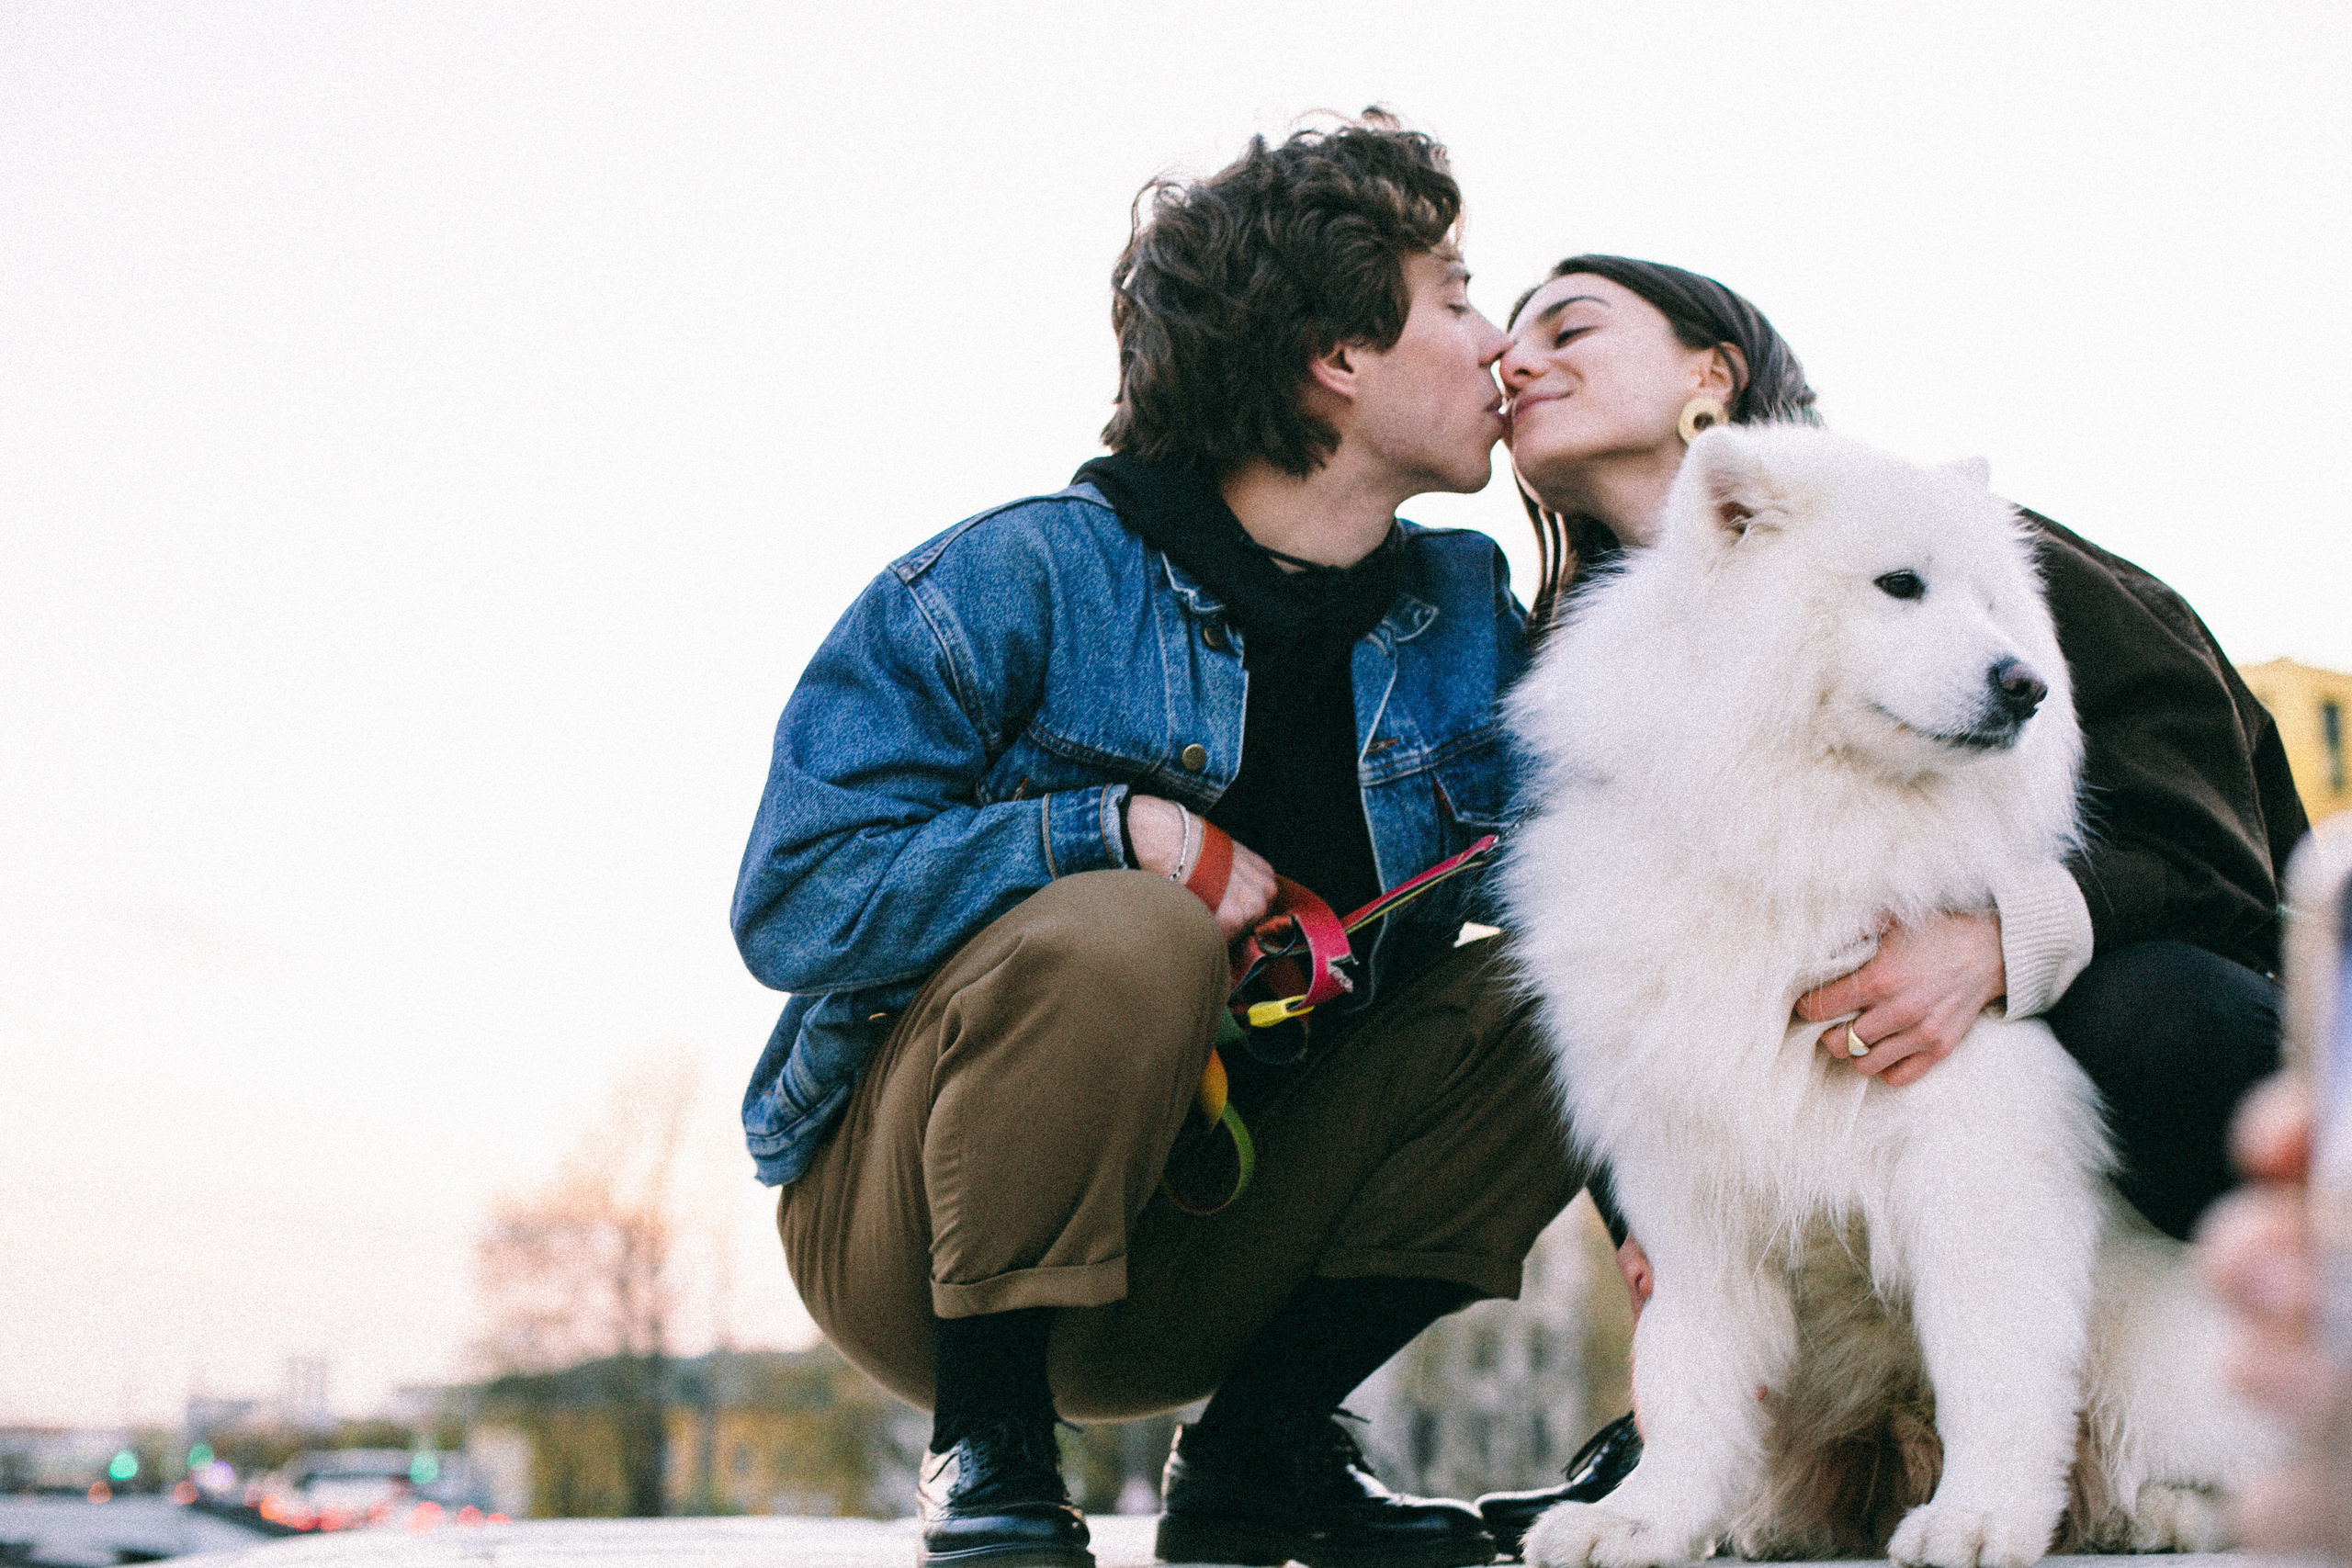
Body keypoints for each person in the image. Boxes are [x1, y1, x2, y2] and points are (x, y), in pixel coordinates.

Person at [731, 113, 1585, 1568]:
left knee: (1578, 986)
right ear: (1337, 353)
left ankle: (1261, 1456)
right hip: (915, 1255)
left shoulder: (1456, 623)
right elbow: (795, 902)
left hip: (1209, 1262)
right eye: (1455, 297)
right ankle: (990, 1452)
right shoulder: (1022, 579)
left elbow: (1626, 887)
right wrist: (1110, 831)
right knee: (1131, 921)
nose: (1498, 341)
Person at [1468, 254, 2311, 1554]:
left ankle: (2188, 1431)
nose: (1519, 357)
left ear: (1713, 374)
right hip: (1859, 1307)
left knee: (2131, 1025)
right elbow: (1662, 1105)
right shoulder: (1594, 659)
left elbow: (2220, 850)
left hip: (2200, 1058)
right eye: (1505, 340)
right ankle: (1699, 1470)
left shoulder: (1928, 526)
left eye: (1572, 326)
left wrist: (1999, 940)